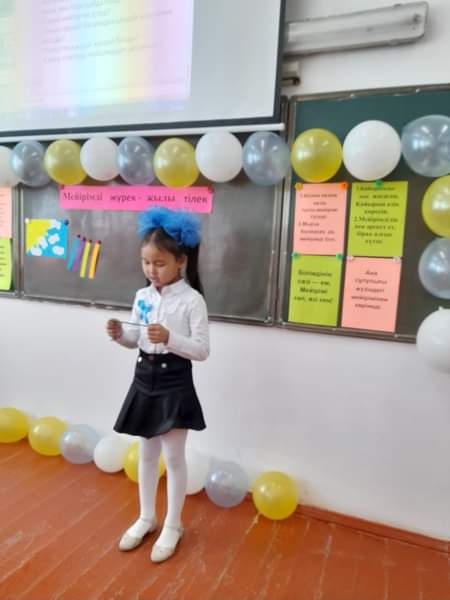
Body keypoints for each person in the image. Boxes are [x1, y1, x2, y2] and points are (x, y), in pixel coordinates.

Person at [106, 206, 209, 563]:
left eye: (160, 263)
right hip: (143, 379)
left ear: (181, 261)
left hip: (174, 382)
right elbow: (136, 340)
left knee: (174, 457)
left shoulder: (193, 301)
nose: (152, 270)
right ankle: (146, 517)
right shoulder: (142, 296)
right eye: (146, 262)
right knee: (147, 454)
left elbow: (202, 350)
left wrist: (170, 338)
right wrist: (120, 335)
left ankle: (173, 524)